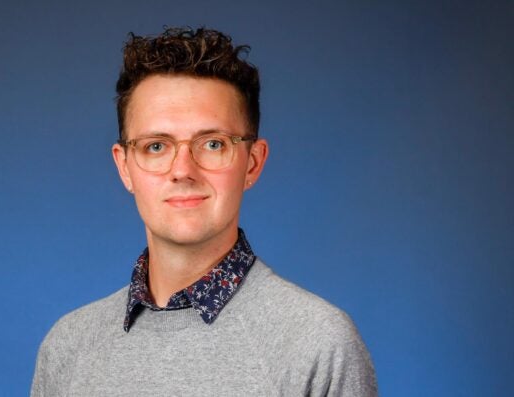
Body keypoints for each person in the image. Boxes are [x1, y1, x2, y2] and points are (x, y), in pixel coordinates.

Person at [30, 27, 378, 396]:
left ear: (252, 163)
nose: (183, 170)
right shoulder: (68, 346)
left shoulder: (318, 344)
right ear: (125, 167)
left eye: (213, 144)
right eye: (155, 146)